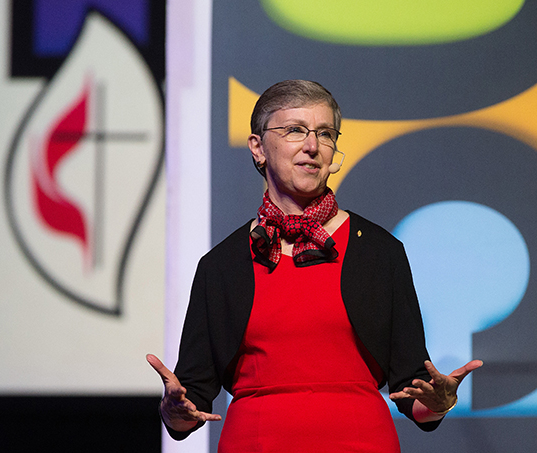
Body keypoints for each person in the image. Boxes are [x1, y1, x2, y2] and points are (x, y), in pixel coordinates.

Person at [147, 80, 482, 452]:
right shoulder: (222, 265)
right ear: (257, 148)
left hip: (361, 442)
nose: (312, 146)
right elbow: (190, 402)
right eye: (294, 130)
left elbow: (413, 389)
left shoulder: (380, 251)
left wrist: (439, 403)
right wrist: (174, 410)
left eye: (325, 133)